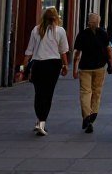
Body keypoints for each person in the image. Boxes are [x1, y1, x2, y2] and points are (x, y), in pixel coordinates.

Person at [24, 8, 70, 136]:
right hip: (53, 65)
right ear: (56, 18)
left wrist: (24, 65)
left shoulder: (36, 29)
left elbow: (29, 50)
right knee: (48, 94)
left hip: (38, 64)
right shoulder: (60, 31)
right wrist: (65, 66)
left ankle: (39, 120)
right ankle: (42, 122)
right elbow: (63, 51)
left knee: (39, 93)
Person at [72, 12, 112, 133]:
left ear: (88, 22)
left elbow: (77, 53)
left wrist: (74, 68)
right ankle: (93, 113)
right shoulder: (103, 34)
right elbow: (109, 51)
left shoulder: (82, 34)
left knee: (85, 92)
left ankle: (86, 116)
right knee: (97, 91)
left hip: (85, 68)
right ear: (98, 22)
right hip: (100, 67)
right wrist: (111, 65)